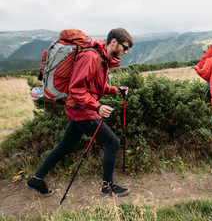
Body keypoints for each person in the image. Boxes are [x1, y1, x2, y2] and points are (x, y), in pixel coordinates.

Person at [26, 28, 133, 197]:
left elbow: (94, 85)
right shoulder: (91, 57)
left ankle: (36, 179)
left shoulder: (103, 58)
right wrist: (97, 107)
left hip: (78, 109)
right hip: (83, 111)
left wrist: (115, 90)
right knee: (112, 143)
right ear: (113, 42)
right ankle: (108, 186)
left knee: (66, 146)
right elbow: (76, 88)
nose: (126, 52)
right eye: (124, 47)